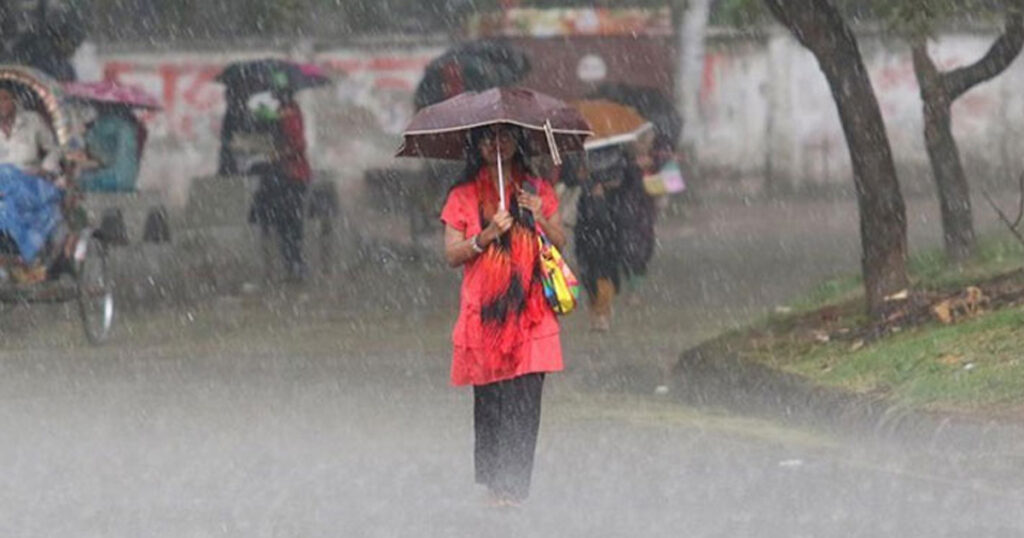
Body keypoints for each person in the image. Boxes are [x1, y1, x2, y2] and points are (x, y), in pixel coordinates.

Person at [440, 124, 566, 506]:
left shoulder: (536, 189)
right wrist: (488, 234)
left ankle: (513, 487)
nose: (497, 144)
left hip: (531, 311)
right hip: (486, 315)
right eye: (488, 138)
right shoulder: (462, 196)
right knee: (492, 401)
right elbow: (452, 255)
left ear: (518, 142)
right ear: (476, 146)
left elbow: (560, 242)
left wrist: (539, 216)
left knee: (525, 401)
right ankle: (496, 485)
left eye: (505, 136)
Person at [0, 85, 64, 282]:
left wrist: (44, 169)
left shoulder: (32, 121)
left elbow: (54, 150)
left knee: (13, 203)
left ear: (14, 100)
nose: (1, 104)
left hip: (30, 181)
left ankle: (23, 254)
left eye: (5, 98)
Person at [249, 80, 312, 283]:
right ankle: (292, 265)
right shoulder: (285, 112)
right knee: (287, 225)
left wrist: (277, 154)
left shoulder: (289, 113)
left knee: (289, 225)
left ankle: (294, 266)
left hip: (291, 176)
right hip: (290, 176)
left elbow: (298, 144)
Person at [76, 104, 140, 192]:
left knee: (76, 182)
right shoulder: (128, 124)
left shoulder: (103, 125)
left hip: (113, 178)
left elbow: (102, 158)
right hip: (129, 179)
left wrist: (87, 134)